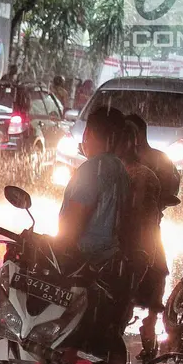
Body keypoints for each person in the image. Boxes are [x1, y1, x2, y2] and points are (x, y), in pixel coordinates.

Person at [127, 114, 178, 359]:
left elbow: (171, 191)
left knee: (155, 275)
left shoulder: (156, 161)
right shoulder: (119, 161)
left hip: (148, 231)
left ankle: (149, 329)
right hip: (126, 233)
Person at [58, 106, 130, 263]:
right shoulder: (120, 169)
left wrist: (58, 249)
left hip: (81, 263)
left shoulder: (92, 169)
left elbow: (75, 219)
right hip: (108, 261)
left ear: (87, 133)